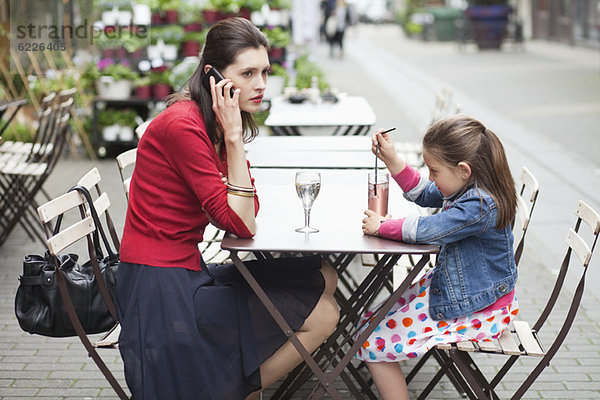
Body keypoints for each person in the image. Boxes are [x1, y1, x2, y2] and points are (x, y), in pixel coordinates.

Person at [115, 17, 339, 400]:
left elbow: (245, 210)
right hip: (160, 288)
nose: (261, 84)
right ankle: (239, 389)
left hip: (187, 269)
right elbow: (240, 221)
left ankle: (235, 376)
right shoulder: (184, 126)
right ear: (212, 76)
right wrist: (234, 140)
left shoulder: (212, 121)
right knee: (325, 315)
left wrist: (232, 137)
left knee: (325, 273)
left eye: (265, 72)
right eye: (247, 73)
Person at [358, 115, 520, 400]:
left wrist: (382, 227)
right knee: (369, 320)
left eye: (434, 170)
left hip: (479, 310)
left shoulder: (480, 205)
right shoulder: (468, 187)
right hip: (463, 294)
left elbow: (429, 230)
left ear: (463, 170)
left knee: (370, 339)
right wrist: (392, 159)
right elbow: (423, 193)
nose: (431, 177)